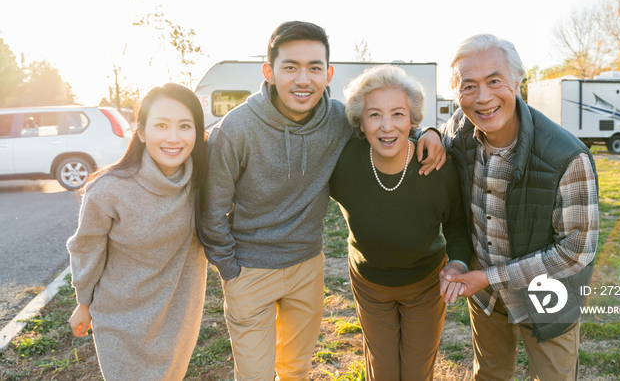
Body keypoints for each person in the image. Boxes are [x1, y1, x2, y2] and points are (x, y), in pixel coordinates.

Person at [197, 21, 445, 381]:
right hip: (249, 270)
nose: (303, 80)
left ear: (328, 74)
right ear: (269, 72)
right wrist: (230, 271)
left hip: (307, 268)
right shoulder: (236, 130)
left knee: (296, 370)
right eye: (290, 67)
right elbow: (212, 209)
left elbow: (384, 123)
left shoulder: (337, 120)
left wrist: (428, 132)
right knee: (255, 375)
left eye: (314, 68)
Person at [440, 34, 599, 381]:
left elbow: (576, 251)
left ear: (517, 80)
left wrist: (489, 277)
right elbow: (435, 139)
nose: (483, 97)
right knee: (490, 376)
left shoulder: (568, 156)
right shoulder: (458, 130)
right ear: (457, 94)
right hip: (486, 298)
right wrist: (425, 134)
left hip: (548, 299)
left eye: (494, 81)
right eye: (469, 86)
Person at [329, 65, 471, 381]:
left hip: (424, 283)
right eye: (374, 115)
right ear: (360, 122)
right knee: (382, 372)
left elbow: (458, 224)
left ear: (412, 120)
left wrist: (459, 264)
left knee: (416, 372)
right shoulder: (345, 161)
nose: (387, 126)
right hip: (370, 285)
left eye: (398, 114)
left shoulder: (435, 164)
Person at [67, 83, 208, 381]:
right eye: (160, 125)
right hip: (119, 320)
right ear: (141, 132)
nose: (173, 138)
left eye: (185, 126)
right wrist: (83, 303)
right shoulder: (108, 190)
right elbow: (87, 248)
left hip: (176, 316)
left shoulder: (206, 181)